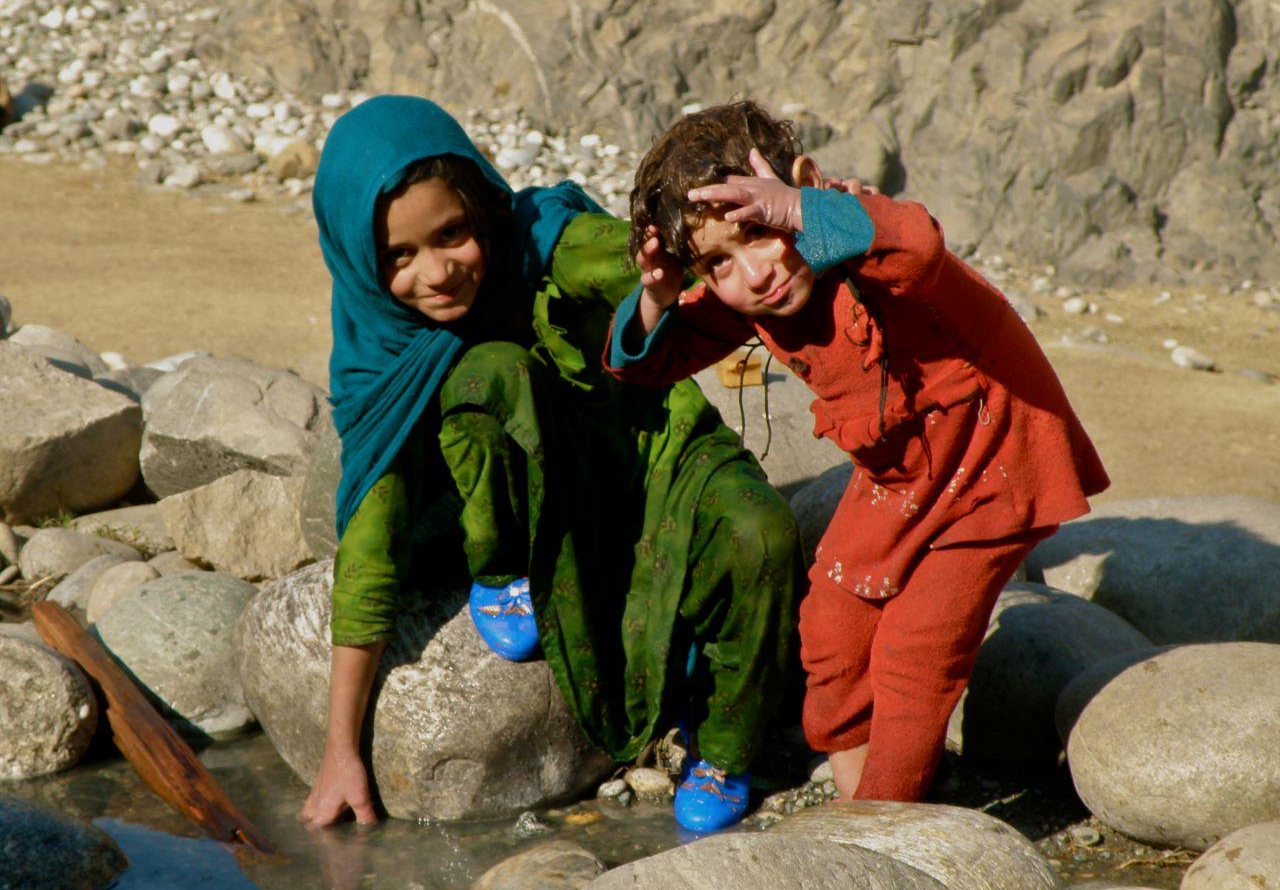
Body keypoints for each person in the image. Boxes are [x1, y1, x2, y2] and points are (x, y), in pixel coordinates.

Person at [296, 95, 803, 834]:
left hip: (643, 452)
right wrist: (341, 749)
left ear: (482, 208)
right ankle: (502, 570)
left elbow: (627, 257)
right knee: (491, 370)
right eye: (398, 258)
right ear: (359, 261)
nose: (436, 273)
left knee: (764, 532)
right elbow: (371, 547)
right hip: (532, 497)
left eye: (453, 234)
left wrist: (705, 256)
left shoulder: (538, 241)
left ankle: (724, 749)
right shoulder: (379, 357)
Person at [607, 100, 1110, 803]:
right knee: (831, 625)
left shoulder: (866, 245)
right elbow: (644, 366)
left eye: (759, 230)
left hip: (994, 457)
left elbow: (920, 245)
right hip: (901, 474)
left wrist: (799, 213)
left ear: (804, 187)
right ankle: (857, 808)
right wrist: (658, 299)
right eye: (718, 262)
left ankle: (882, 822)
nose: (753, 273)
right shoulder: (754, 296)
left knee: (916, 652)